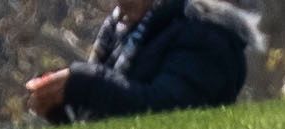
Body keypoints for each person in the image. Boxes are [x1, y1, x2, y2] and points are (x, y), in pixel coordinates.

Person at [28, 0, 255, 120]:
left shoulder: (204, 33)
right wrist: (59, 104)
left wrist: (84, 83)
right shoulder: (122, 32)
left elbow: (168, 112)